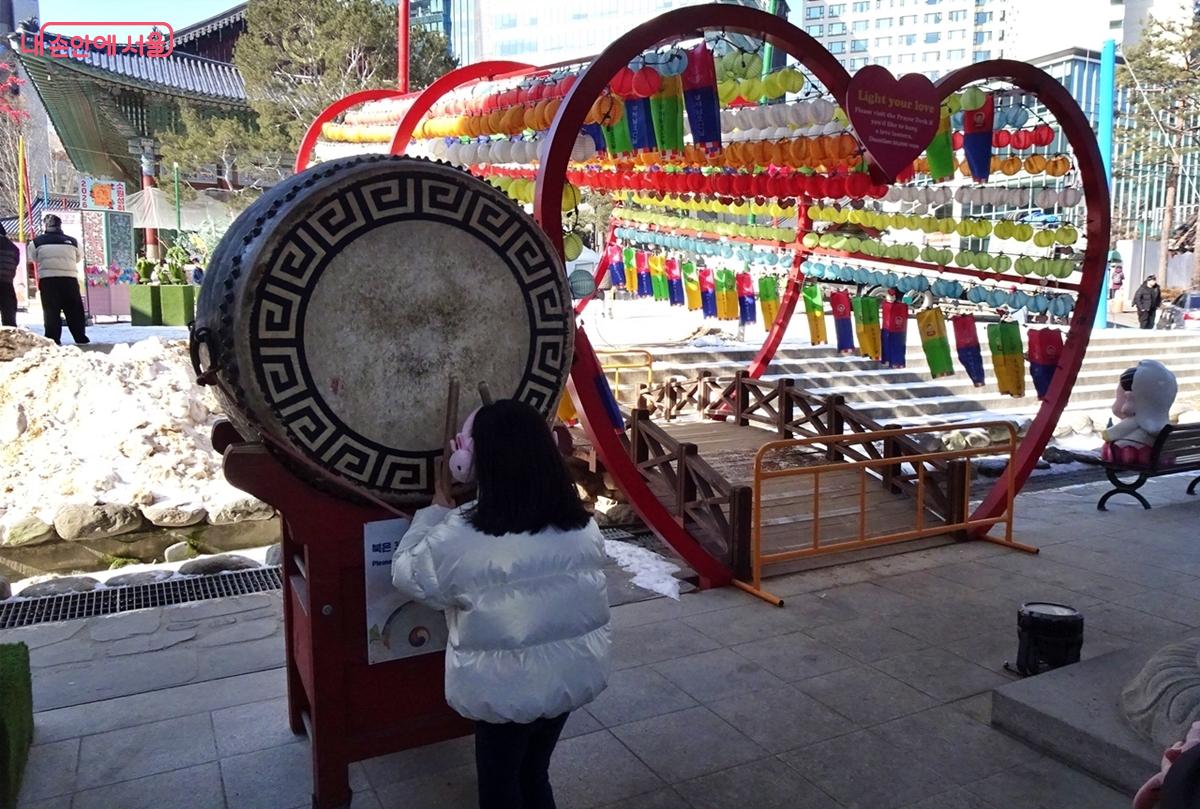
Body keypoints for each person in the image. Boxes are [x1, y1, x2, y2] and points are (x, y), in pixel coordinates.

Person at [391, 399, 610, 809]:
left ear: (472, 462)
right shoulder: (582, 525)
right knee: (534, 772)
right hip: (568, 678)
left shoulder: (462, 535)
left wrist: (433, 515)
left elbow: (408, 574)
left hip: (504, 690)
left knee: (499, 786)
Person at [31, 214, 88, 345]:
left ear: (45, 225)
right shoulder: (72, 241)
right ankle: (80, 337)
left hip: (48, 280)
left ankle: (53, 338)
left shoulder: (37, 242)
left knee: (51, 310)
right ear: (60, 225)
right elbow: (79, 257)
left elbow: (34, 257)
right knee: (74, 309)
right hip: (69, 279)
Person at [0, 223, 18, 327]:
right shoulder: (12, 247)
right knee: (9, 316)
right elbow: (16, 262)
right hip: (7, 283)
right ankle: (9, 333)